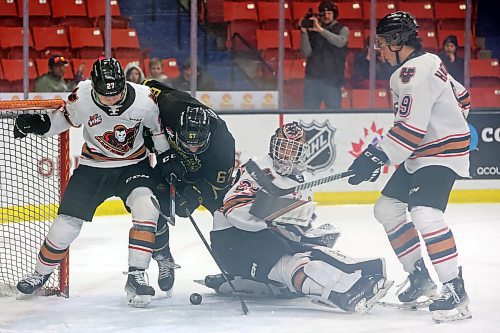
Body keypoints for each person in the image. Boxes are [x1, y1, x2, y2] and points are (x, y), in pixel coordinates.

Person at [15, 58, 173, 308]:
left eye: (116, 93)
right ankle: (40, 273)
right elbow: (64, 119)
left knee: (147, 207)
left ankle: (136, 276)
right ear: (95, 88)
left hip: (134, 165)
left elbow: (158, 132)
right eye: (105, 95)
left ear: (124, 84)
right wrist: (39, 126)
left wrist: (167, 164)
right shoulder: (83, 94)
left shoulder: (145, 99)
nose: (111, 100)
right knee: (66, 222)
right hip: (93, 167)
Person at [348, 12, 472, 323]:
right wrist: (449, 122)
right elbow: (463, 97)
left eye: (382, 42)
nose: (380, 49)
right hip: (423, 153)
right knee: (387, 210)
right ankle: (420, 277)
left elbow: (410, 131)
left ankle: (454, 289)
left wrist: (374, 157)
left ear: (395, 41)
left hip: (441, 154)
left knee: (424, 213)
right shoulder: (430, 61)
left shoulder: (410, 75)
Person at [207, 122, 393, 313]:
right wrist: (279, 213)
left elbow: (288, 227)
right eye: (282, 147)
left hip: (262, 239)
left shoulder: (300, 181)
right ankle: (341, 293)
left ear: (301, 152)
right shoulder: (257, 169)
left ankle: (356, 277)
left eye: (292, 149)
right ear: (273, 146)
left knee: (307, 254)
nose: (286, 154)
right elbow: (233, 207)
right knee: (292, 264)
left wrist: (306, 234)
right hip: (233, 239)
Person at [141, 79, 235, 296]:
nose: (192, 148)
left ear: (208, 137)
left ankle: (235, 268)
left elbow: (217, 184)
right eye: (187, 143)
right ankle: (163, 257)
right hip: (174, 164)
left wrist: (195, 195)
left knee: (228, 214)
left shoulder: (223, 142)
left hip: (206, 176)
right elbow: (147, 87)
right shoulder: (171, 105)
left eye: (198, 145)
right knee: (152, 205)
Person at [299, 1, 349, 109]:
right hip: (313, 79)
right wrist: (304, 32)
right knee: (309, 115)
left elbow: (340, 42)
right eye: (323, 14)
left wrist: (320, 30)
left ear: (334, 14)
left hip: (333, 80)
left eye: (329, 13)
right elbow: (306, 52)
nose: (326, 16)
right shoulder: (313, 31)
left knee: (334, 115)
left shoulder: (342, 29)